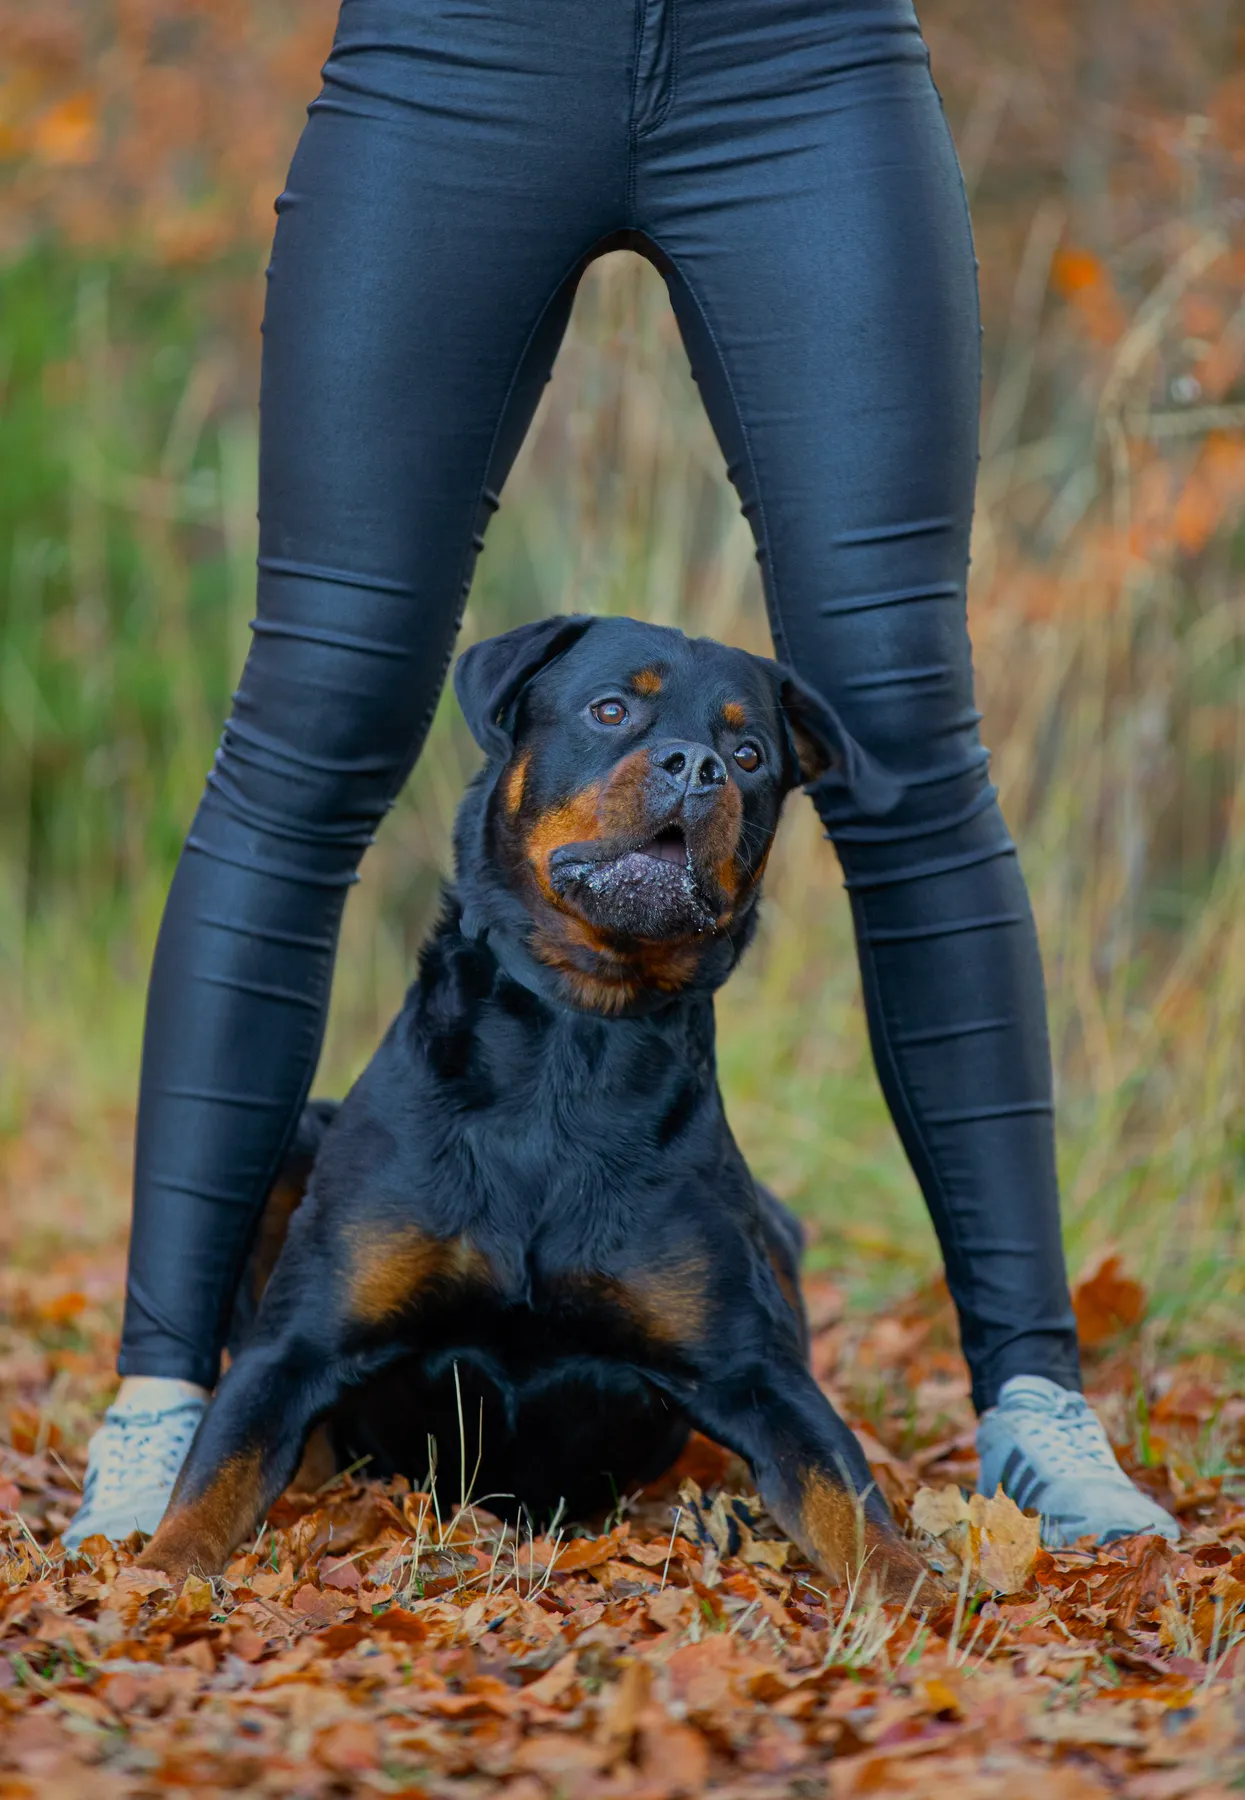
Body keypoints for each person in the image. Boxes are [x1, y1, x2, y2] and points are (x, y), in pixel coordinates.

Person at [67, 0, 1176, 1551]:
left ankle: (1035, 1412)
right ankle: (166, 1397)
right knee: (315, 711)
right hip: (457, 49)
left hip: (804, 53)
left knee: (903, 732)